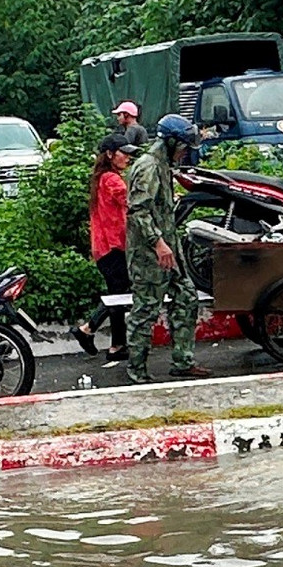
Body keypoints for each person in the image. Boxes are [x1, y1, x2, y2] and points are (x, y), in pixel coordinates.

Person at [126, 114, 210, 384]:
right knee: (146, 310)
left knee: (187, 297)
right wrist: (158, 243)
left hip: (169, 250)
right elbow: (138, 211)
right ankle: (137, 369)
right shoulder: (148, 166)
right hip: (149, 254)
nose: (185, 152)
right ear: (172, 142)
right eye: (184, 146)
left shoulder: (162, 166)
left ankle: (183, 361)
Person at [70, 134, 140, 363]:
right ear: (110, 154)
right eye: (123, 153)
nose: (127, 157)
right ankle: (94, 332)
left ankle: (112, 343)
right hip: (113, 247)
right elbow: (132, 201)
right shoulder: (111, 180)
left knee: (118, 294)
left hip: (104, 247)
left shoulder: (101, 178)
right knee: (119, 295)